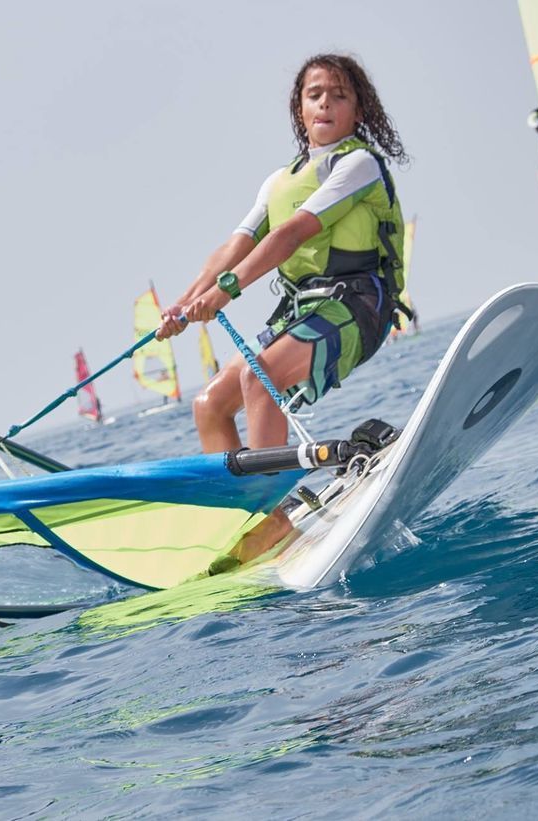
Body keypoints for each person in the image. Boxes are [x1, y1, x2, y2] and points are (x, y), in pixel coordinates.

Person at [156, 53, 408, 564]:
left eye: (340, 95)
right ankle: (259, 520)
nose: (326, 103)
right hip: (301, 311)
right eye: (315, 94)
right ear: (299, 109)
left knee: (260, 376)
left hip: (357, 305)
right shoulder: (279, 181)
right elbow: (235, 245)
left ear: (358, 110)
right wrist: (184, 305)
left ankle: (267, 518)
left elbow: (294, 233)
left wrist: (226, 291)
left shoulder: (357, 163)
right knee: (209, 404)